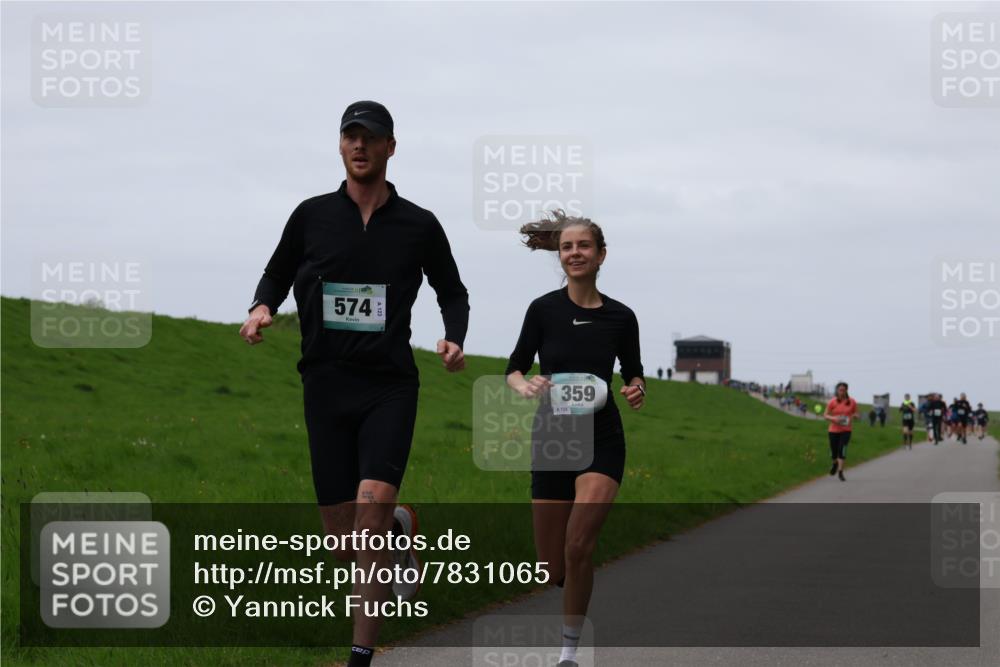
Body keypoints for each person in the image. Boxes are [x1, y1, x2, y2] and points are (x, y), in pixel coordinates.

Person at [239, 101, 470, 667]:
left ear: (392, 147)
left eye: (371, 137)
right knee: (346, 540)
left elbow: (452, 290)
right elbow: (276, 269)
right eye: (351, 136)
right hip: (324, 384)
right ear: (340, 146)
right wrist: (262, 305)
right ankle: (400, 525)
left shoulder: (419, 224)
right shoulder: (312, 215)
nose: (360, 146)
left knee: (365, 527)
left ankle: (360, 657)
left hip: (389, 386)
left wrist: (454, 336)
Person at [505, 210, 644, 667]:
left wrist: (636, 387)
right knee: (552, 568)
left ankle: (568, 653)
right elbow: (515, 368)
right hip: (553, 436)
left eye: (584, 246)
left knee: (579, 544)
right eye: (567, 247)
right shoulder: (542, 310)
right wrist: (523, 385)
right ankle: (570, 579)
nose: (575, 253)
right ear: (559, 255)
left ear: (601, 254)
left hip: (602, 435)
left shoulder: (622, 317)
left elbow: (634, 371)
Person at [824, 381, 858, 481]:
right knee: (834, 452)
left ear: (846, 390)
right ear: (837, 391)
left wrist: (855, 416)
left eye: (843, 390)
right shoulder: (832, 402)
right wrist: (834, 419)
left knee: (842, 450)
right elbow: (825, 415)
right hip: (833, 430)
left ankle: (840, 472)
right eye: (840, 390)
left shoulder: (852, 401)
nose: (841, 392)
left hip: (846, 430)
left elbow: (857, 414)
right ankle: (834, 463)